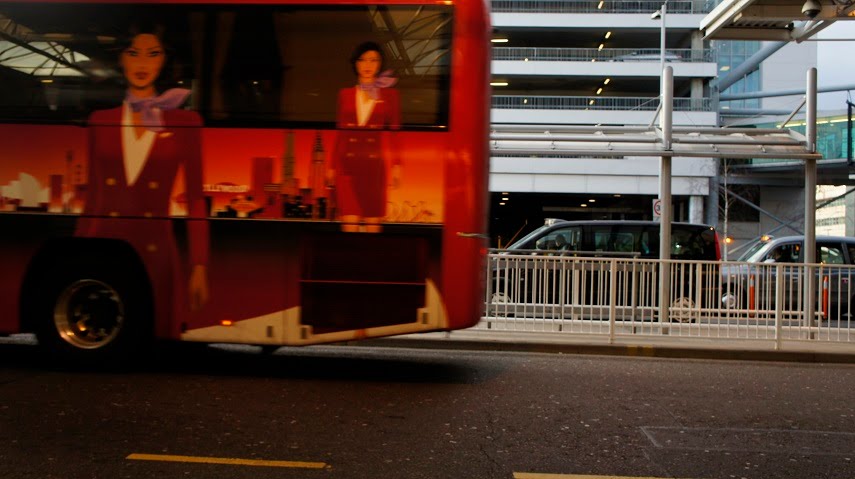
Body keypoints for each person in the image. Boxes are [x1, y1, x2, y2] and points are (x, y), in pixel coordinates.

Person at [76, 23, 209, 331]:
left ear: (165, 61)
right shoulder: (100, 120)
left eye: (153, 54)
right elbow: (93, 195)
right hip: (104, 244)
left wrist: (199, 264)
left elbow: (195, 197)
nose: (142, 63)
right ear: (121, 59)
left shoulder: (185, 121)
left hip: (156, 249)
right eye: (133, 53)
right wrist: (78, 252)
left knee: (157, 325)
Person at [329, 41, 401, 233]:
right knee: (349, 226)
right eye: (363, 60)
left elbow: (394, 132)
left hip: (374, 166)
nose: (368, 65)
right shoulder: (345, 94)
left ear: (380, 64)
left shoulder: (390, 95)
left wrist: (397, 165)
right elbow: (340, 132)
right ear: (355, 63)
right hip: (346, 166)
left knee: (372, 226)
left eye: (373, 60)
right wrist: (330, 166)